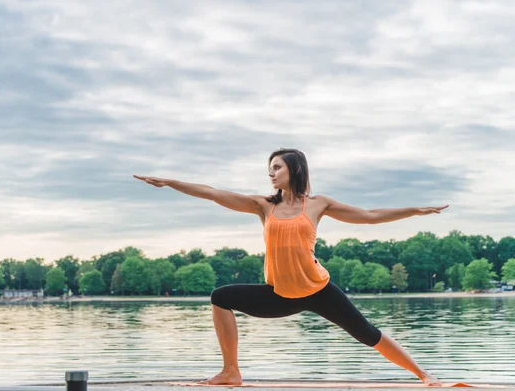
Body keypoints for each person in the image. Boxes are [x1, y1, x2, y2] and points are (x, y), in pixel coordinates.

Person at [134, 148, 448, 387]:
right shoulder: (264, 205)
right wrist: (172, 182)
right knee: (221, 297)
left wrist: (414, 211)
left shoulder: (318, 204)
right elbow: (214, 194)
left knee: (367, 333)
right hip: (279, 294)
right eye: (269, 169)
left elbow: (368, 215)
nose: (270, 173)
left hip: (318, 290)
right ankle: (231, 371)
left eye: (276, 167)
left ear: (294, 169)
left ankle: (424, 376)